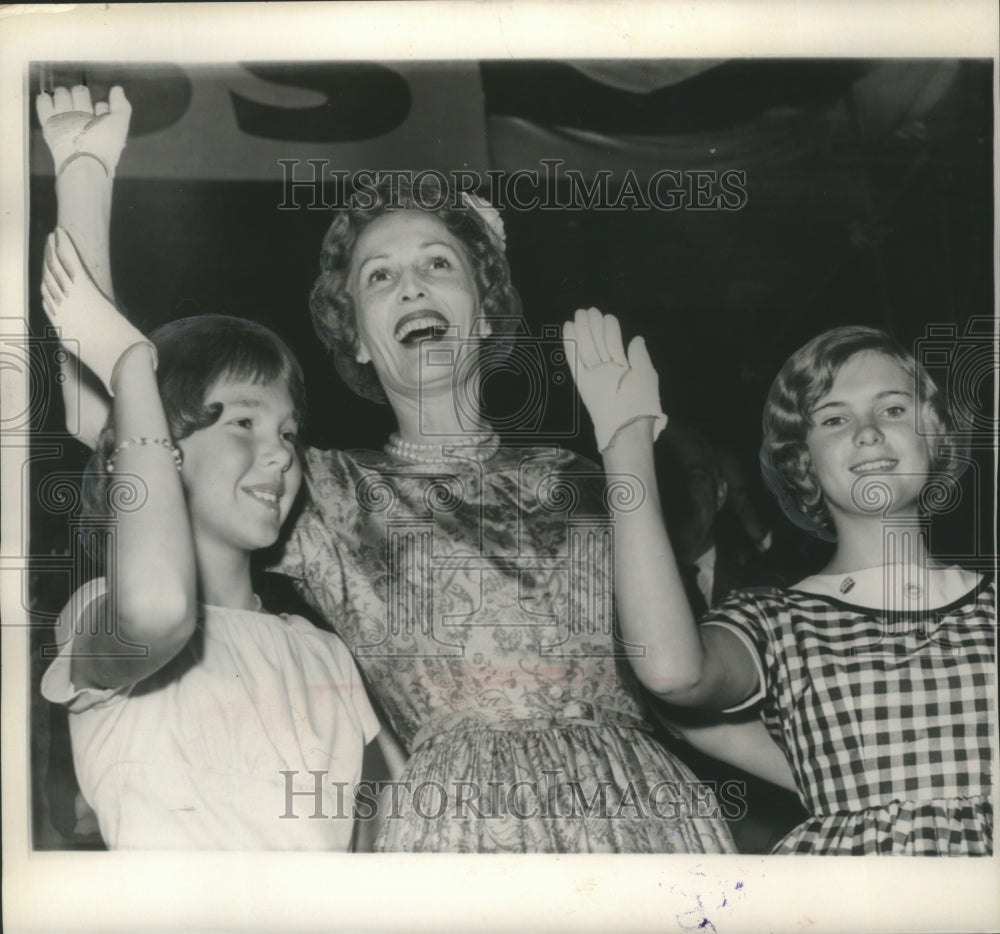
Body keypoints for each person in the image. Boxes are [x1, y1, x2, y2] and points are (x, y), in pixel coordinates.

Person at [36, 85, 737, 853]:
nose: (410, 285)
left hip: (638, 820)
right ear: (360, 339)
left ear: (488, 308)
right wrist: (83, 173)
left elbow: (677, 678)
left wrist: (625, 444)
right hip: (462, 838)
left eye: (438, 263)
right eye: (379, 275)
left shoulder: (587, 478)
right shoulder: (327, 492)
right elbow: (117, 423)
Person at [565, 309, 995, 855]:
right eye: (834, 419)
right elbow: (672, 674)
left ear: (933, 436)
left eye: (892, 409)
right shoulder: (775, 621)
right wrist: (626, 446)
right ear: (802, 462)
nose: (867, 432)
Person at [37, 230, 398, 850]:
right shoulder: (99, 613)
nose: (282, 454)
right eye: (244, 422)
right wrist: (130, 372)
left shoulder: (323, 655)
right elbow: (159, 607)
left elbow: (384, 838)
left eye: (288, 433)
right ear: (163, 450)